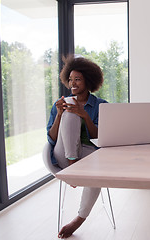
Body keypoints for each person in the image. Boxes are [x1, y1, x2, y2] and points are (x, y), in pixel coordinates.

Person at [46, 55, 107, 238]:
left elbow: (100, 138)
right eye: (70, 79)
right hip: (64, 155)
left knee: (99, 171)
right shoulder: (62, 103)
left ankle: (78, 220)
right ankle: (73, 169)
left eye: (77, 79)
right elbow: (51, 137)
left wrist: (85, 115)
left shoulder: (100, 106)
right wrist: (59, 115)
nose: (73, 83)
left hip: (88, 155)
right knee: (69, 111)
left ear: (88, 81)